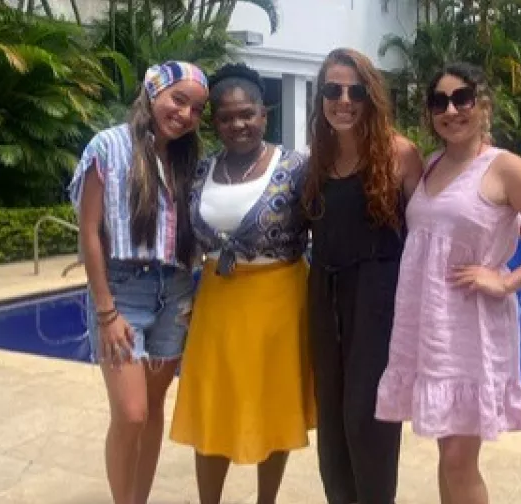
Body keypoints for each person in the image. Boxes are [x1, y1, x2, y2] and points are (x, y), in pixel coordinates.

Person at [374, 61, 521, 504]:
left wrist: (506, 282)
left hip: (472, 328)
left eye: (461, 98)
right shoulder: (430, 165)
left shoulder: (505, 168)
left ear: (482, 104)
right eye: (439, 102)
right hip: (430, 329)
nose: (451, 110)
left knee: (458, 460)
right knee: (445, 451)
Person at [166, 62, 316, 504]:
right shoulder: (201, 171)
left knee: (274, 407)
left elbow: (332, 221)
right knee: (213, 408)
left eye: (247, 113)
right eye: (227, 117)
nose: (239, 124)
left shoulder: (296, 167)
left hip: (281, 300)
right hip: (218, 302)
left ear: (264, 115)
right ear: (215, 122)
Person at [67, 60, 209, 504]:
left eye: (196, 108)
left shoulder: (188, 161)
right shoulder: (107, 146)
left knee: (151, 414)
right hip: (124, 289)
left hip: (177, 291)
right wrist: (106, 310)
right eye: (178, 100)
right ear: (153, 94)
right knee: (130, 414)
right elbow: (89, 231)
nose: (186, 114)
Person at [302, 47, 425, 504]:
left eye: (356, 91)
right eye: (333, 90)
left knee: (366, 417)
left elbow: (433, 222)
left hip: (378, 299)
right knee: (332, 420)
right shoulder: (319, 155)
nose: (344, 100)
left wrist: (504, 216)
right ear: (322, 97)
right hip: (325, 295)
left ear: (372, 97)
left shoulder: (400, 153)